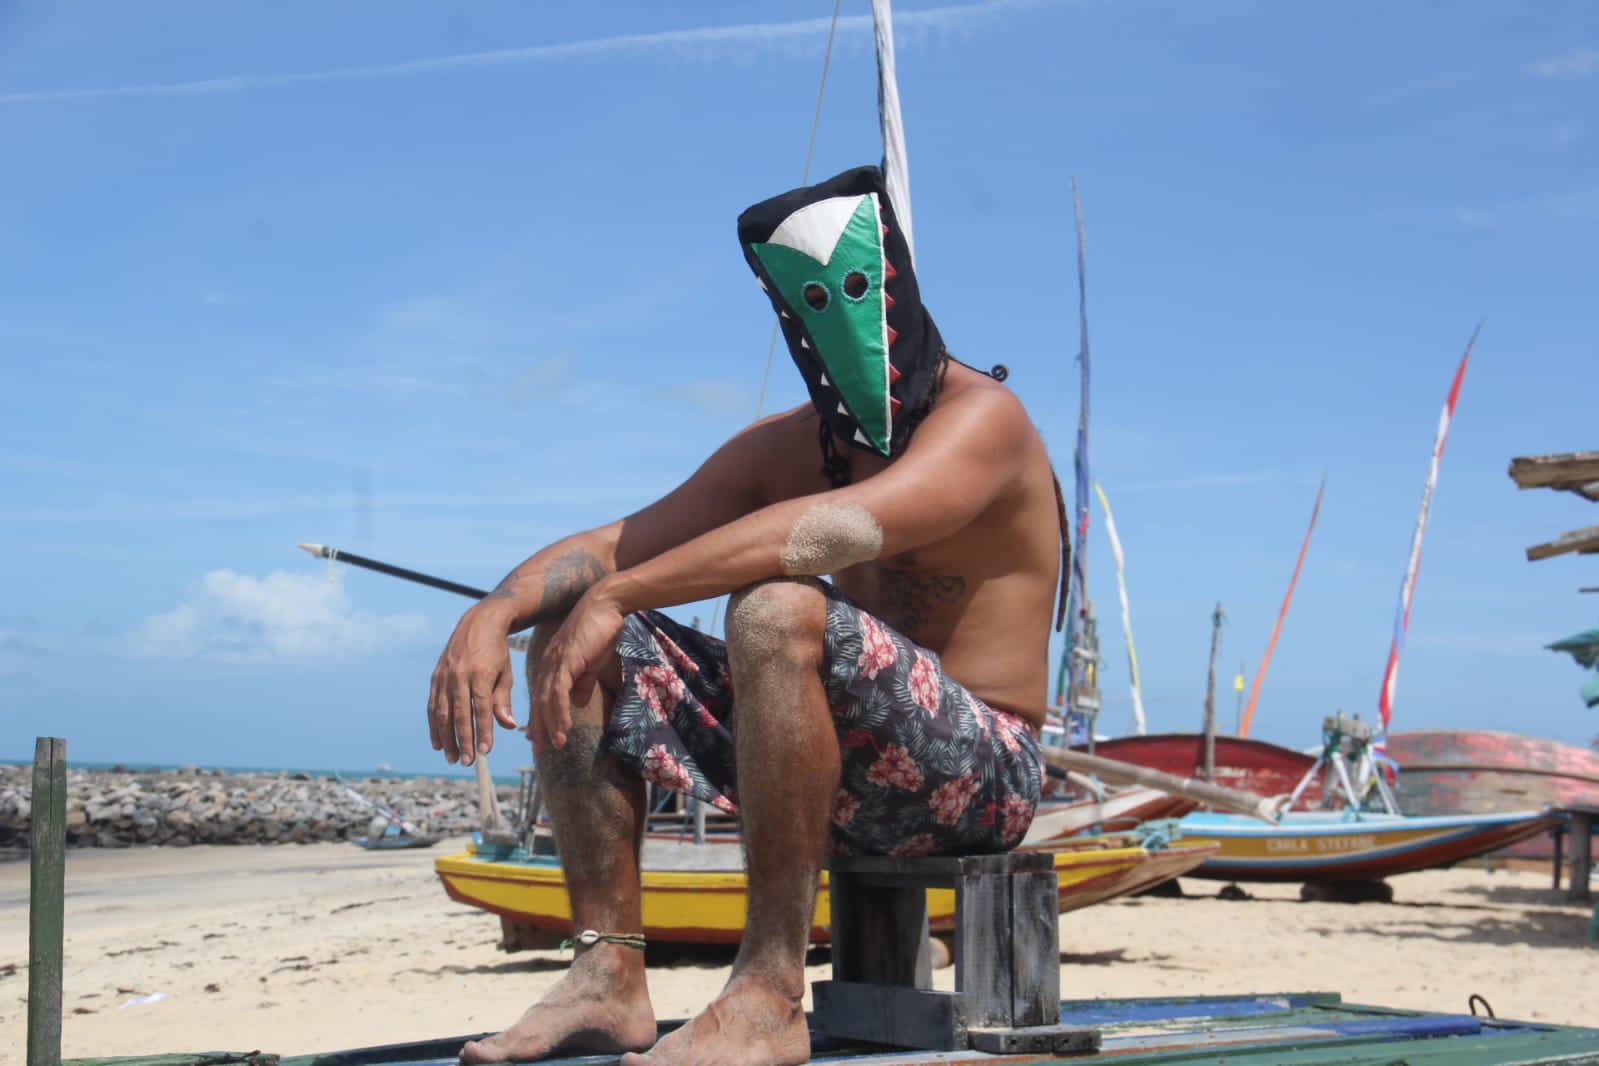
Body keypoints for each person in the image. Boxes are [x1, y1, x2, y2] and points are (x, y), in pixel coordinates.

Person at [427, 165, 1065, 1066]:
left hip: (984, 779)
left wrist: (616, 594)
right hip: (830, 775)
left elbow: (833, 530)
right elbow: (616, 544)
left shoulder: (982, 419)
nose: (835, 315)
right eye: (811, 299)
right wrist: (494, 611)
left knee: (773, 605)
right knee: (571, 634)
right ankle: (606, 975)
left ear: (896, 284)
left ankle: (769, 991)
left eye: (854, 287)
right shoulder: (790, 445)